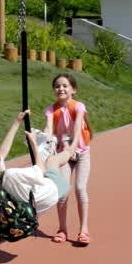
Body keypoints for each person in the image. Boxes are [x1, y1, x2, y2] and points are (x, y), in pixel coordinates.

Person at [0, 110, 73, 241]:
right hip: (51, 192)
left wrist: (17, 121)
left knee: (45, 157)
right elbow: (41, 170)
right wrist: (33, 143)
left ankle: (59, 146)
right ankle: (72, 150)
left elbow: (3, 151)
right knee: (51, 160)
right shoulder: (12, 174)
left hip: (31, 210)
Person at [44, 73, 94, 245]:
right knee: (63, 191)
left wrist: (72, 148)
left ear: (73, 90)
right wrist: (46, 138)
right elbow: (48, 127)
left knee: (80, 188)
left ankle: (84, 230)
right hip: (63, 155)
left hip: (81, 153)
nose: (61, 89)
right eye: (57, 86)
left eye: (65, 86)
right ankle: (62, 229)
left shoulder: (78, 106)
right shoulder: (51, 109)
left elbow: (78, 127)